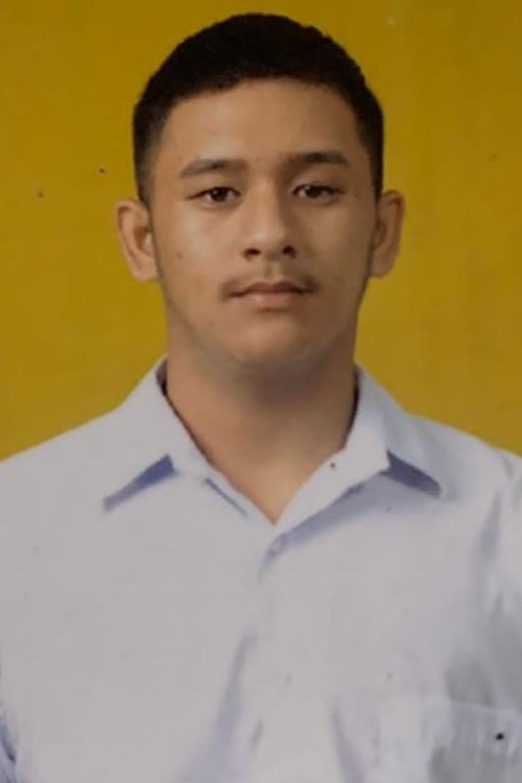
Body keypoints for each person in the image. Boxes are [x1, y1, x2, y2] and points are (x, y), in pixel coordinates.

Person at [0, 12, 521, 783]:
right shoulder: (15, 535)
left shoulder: (507, 529)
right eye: (217, 192)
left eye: (316, 189)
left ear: (382, 230)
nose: (270, 231)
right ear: (142, 240)